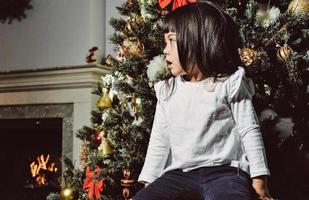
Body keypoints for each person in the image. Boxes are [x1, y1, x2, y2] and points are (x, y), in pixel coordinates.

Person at [133, 1, 273, 200]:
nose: (165, 50)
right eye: (165, 42)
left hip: (225, 173)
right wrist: (149, 184)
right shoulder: (168, 90)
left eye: (171, 41)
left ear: (197, 42)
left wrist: (259, 181)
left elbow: (249, 130)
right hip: (178, 175)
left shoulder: (228, 83)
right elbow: (160, 139)